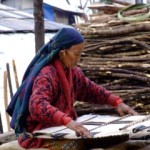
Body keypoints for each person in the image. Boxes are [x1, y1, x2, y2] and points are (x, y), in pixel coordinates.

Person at [6, 27, 138, 149]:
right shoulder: (46, 75)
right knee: (80, 144)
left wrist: (116, 102)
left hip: (62, 128)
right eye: (76, 54)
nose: (79, 59)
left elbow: (89, 89)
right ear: (62, 53)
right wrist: (67, 121)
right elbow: (37, 105)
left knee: (118, 138)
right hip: (41, 133)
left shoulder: (72, 72)